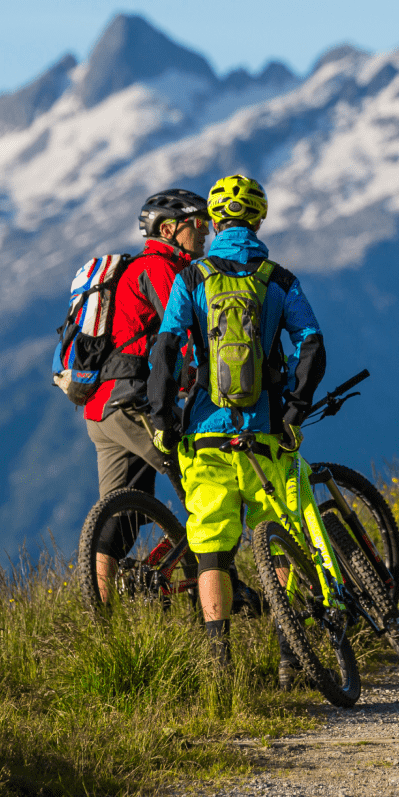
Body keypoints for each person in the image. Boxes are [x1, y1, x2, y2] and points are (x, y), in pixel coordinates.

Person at [144, 174, 328, 684]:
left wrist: (163, 422)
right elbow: (312, 346)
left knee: (212, 551)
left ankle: (219, 664)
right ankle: (290, 656)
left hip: (206, 436)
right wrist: (291, 413)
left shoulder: (192, 277)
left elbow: (165, 349)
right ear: (259, 219)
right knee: (280, 542)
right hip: (266, 436)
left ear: (217, 222)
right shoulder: (279, 278)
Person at [84, 188, 210, 601]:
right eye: (199, 226)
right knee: (210, 486)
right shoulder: (158, 267)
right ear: (170, 229)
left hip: (102, 411)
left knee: (121, 518)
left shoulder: (140, 267)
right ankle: (221, 584)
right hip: (133, 401)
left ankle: (101, 618)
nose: (206, 233)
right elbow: (185, 330)